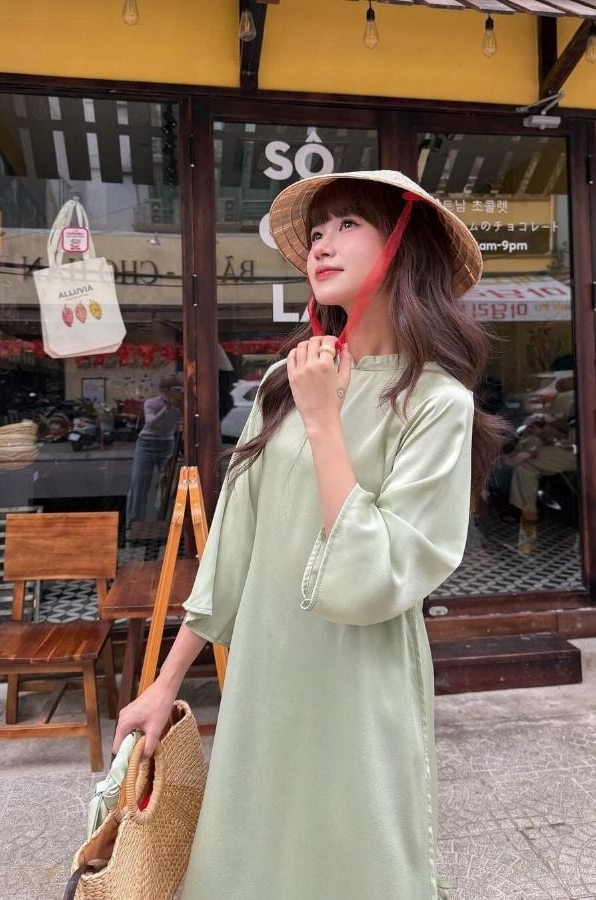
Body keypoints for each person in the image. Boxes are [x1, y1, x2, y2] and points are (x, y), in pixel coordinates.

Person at [113, 170, 504, 899]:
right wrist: (163, 685)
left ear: (402, 242)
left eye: (347, 224)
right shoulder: (281, 383)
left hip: (361, 679)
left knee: (352, 864)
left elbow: (379, 573)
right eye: (317, 231)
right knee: (249, 859)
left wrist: (324, 419)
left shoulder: (438, 403)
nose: (322, 244)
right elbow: (233, 547)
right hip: (266, 672)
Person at [507, 375, 576, 554]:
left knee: (526, 464)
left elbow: (573, 443)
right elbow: (568, 427)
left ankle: (527, 536)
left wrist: (534, 450)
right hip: (571, 446)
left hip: (581, 454)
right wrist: (546, 425)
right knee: (532, 438)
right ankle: (524, 525)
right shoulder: (576, 398)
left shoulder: (584, 397)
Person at [125, 373, 182, 528]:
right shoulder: (151, 403)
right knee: (139, 483)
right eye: (169, 390)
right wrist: (166, 408)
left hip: (167, 444)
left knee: (166, 486)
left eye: (176, 390)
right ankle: (134, 522)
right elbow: (151, 422)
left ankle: (163, 521)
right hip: (146, 444)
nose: (172, 393)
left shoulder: (180, 407)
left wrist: (183, 406)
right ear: (163, 390)